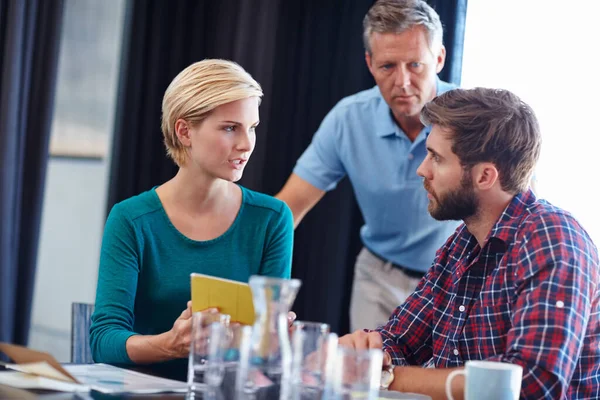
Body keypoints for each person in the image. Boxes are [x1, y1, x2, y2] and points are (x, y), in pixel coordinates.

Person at [339, 87, 600, 399]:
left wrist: (384, 377)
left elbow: (533, 382)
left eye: (437, 158)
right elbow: (402, 340)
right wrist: (368, 351)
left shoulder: (553, 238)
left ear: (484, 176)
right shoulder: (461, 243)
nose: (422, 169)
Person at [89, 59, 294, 381]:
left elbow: (263, 351)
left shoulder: (272, 219)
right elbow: (103, 340)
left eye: (251, 127)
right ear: (184, 131)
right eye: (230, 127)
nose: (246, 144)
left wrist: (273, 338)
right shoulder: (131, 219)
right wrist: (170, 344)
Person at [276, 0, 460, 331]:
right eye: (388, 66)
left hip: (454, 280)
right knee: (366, 380)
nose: (402, 82)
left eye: (415, 65)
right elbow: (287, 210)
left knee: (435, 382)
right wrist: (260, 289)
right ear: (369, 63)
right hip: (378, 276)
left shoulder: (469, 119)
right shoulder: (348, 119)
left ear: (439, 59)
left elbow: (512, 210)